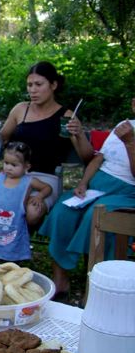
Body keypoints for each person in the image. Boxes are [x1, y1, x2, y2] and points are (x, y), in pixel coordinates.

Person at [39, 97, 135, 296]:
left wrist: (130, 143)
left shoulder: (127, 135)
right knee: (64, 208)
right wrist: (83, 183)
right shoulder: (123, 126)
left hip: (128, 192)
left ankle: (99, 284)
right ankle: (61, 280)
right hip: (98, 184)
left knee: (96, 215)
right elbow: (99, 158)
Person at [0, 61, 93, 218]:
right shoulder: (21, 109)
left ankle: (17, 241)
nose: (33, 90)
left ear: (53, 85)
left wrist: (79, 134)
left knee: (31, 211)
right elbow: (2, 137)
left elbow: (87, 157)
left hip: (46, 180)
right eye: (29, 85)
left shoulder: (66, 116)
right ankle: (2, 242)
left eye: (38, 84)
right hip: (15, 174)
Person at [0, 142, 52, 262]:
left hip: (15, 224)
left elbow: (47, 188)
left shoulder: (29, 181)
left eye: (14, 165)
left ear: (26, 167)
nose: (8, 168)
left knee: (13, 256)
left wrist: (39, 196)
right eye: (6, 163)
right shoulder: (0, 177)